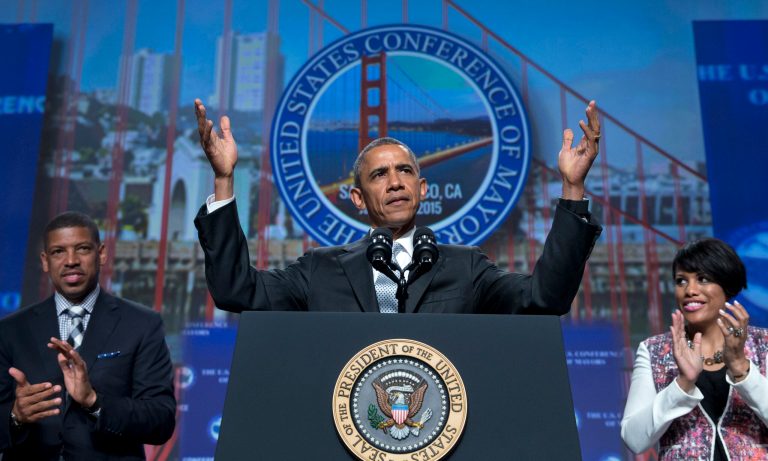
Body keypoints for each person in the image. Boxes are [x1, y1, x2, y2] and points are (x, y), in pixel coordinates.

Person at [193, 98, 602, 314]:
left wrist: (571, 186)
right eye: (378, 175)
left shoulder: (466, 268)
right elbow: (237, 291)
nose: (394, 182)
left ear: (422, 189)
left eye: (405, 171)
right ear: (357, 199)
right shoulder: (319, 269)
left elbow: (546, 298)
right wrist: (225, 179)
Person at [0, 212, 176, 460]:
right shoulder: (10, 330)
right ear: (45, 261)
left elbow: (161, 420)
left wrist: (94, 401)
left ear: (101, 253)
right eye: (58, 252)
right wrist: (16, 416)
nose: (71, 260)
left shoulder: (142, 324)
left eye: (82, 249)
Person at [621, 238, 768, 460]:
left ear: (727, 287)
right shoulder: (653, 351)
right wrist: (682, 384)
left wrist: (740, 367)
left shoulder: (763, 344)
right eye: (681, 281)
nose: (690, 290)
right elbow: (634, 439)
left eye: (703, 279)